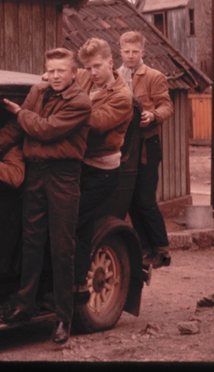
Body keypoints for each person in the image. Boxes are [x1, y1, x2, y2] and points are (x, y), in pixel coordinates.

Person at [0, 48, 91, 345]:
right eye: (51, 70)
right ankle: (23, 306)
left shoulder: (80, 101)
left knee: (61, 246)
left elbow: (44, 130)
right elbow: (17, 130)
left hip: (63, 176)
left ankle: (62, 318)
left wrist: (20, 111)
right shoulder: (38, 91)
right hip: (35, 173)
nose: (56, 76)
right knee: (31, 241)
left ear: (74, 73)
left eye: (61, 71)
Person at [73, 38, 133, 297]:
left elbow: (97, 122)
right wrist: (51, 75)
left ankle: (78, 285)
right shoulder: (87, 78)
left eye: (97, 66)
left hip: (103, 171)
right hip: (82, 164)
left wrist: (66, 108)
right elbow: (68, 71)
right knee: (78, 222)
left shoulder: (122, 97)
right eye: (87, 68)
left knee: (77, 220)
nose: (92, 72)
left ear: (111, 63)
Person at [119, 30, 174, 268]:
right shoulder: (115, 76)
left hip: (148, 145)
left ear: (143, 52)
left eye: (135, 52)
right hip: (124, 145)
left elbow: (167, 106)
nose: (131, 56)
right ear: (120, 52)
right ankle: (143, 248)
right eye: (126, 51)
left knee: (145, 199)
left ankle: (161, 249)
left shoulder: (154, 76)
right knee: (130, 199)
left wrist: (153, 115)